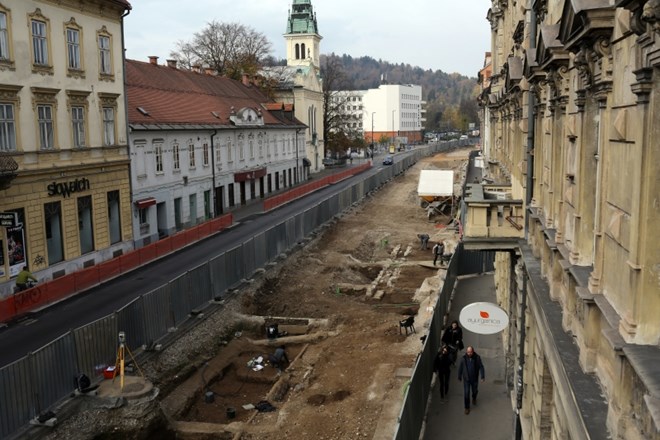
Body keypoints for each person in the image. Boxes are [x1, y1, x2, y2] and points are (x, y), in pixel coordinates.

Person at [457, 346, 485, 414]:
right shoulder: (463, 359)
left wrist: (482, 376)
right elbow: (461, 367)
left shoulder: (477, 358)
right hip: (466, 379)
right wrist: (459, 376)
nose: (469, 353)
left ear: (473, 352)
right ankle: (467, 408)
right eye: (468, 352)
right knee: (466, 393)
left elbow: (481, 367)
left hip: (474, 379)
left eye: (470, 352)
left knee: (474, 391)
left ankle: (474, 397)